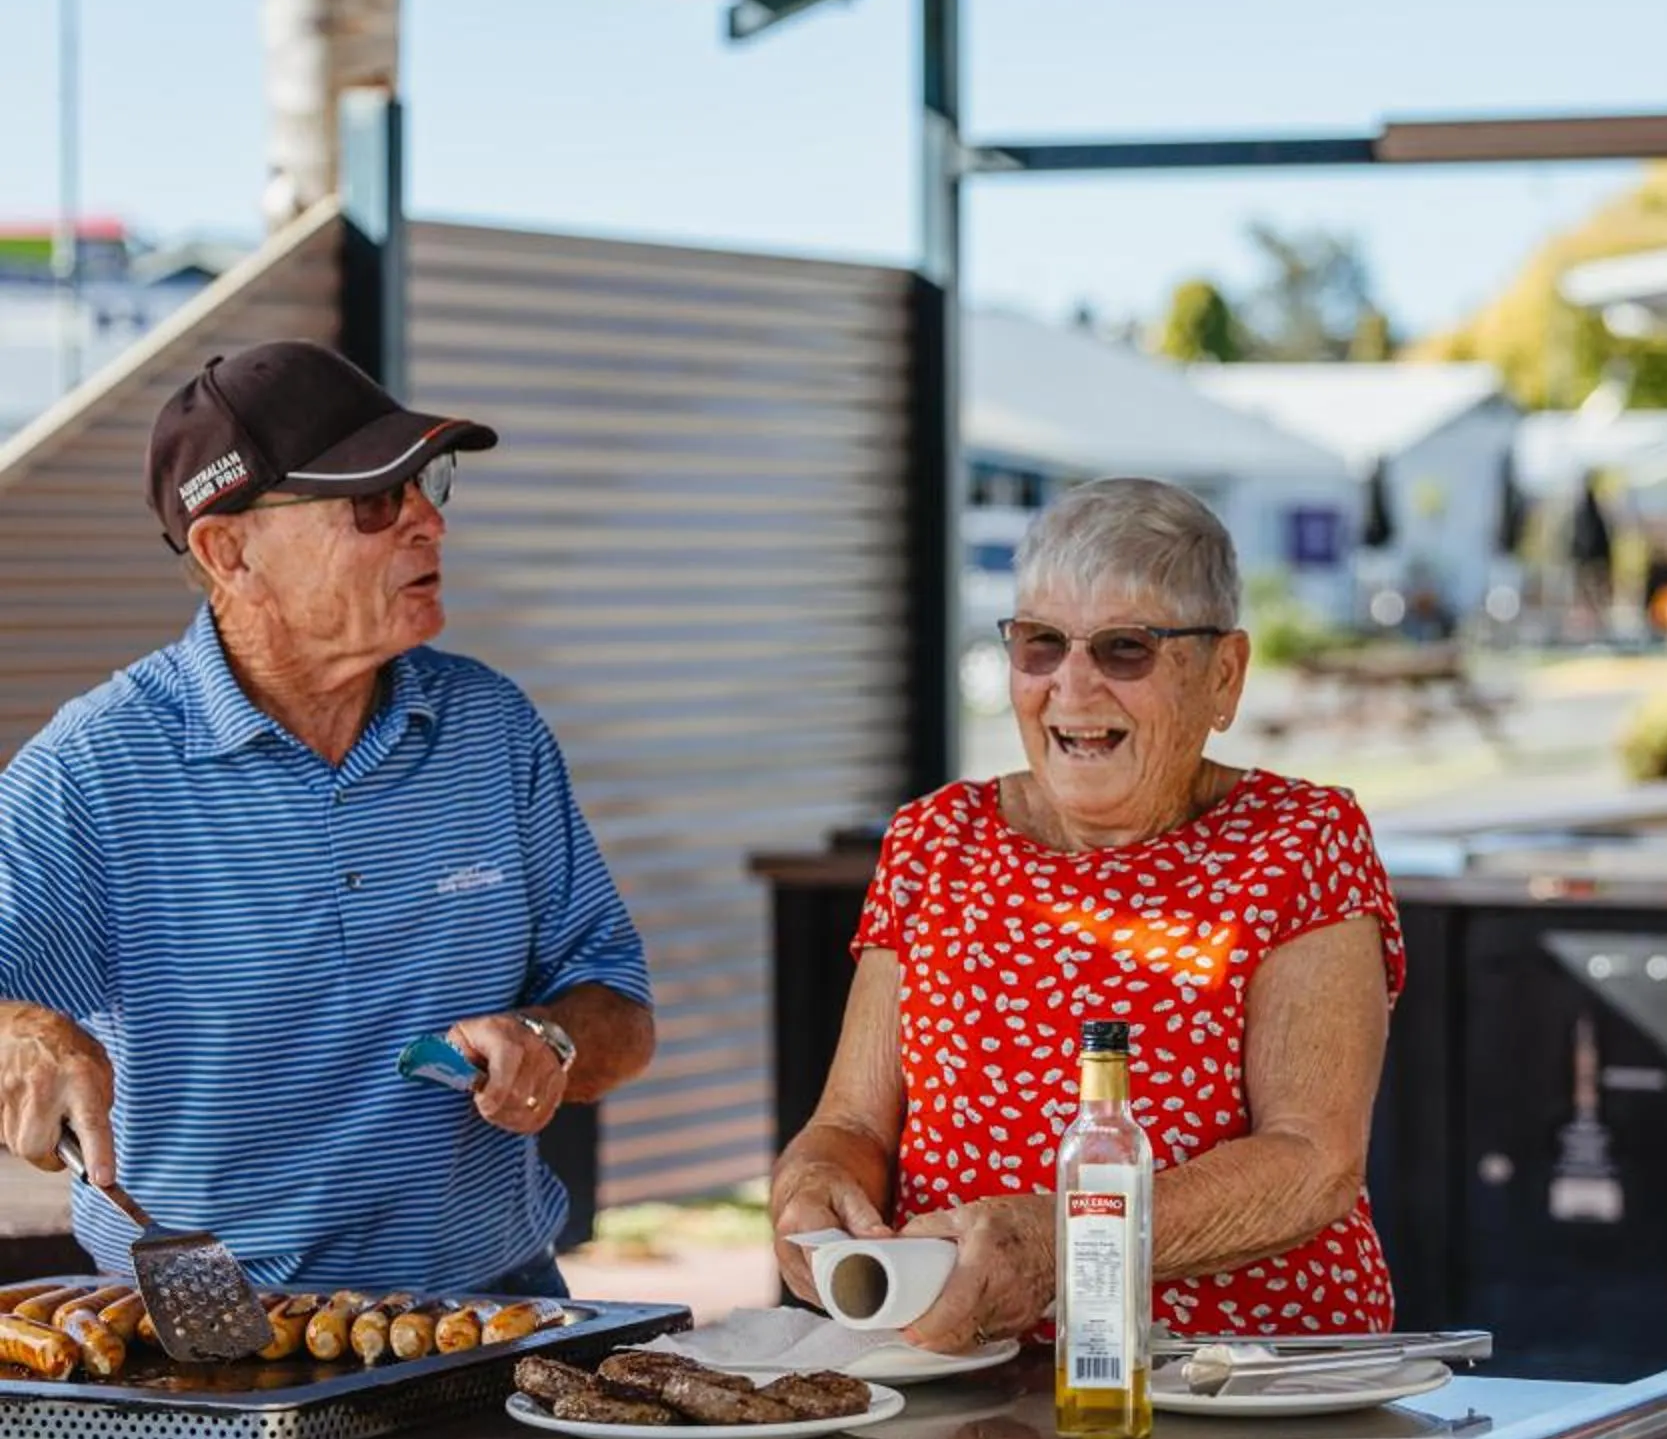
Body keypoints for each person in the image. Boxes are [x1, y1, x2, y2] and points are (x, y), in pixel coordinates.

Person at [0, 341, 654, 1296]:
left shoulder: (491, 729)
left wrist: (550, 1041)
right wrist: (23, 1030)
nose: (428, 521)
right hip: (215, 1326)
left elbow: (620, 1010)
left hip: (497, 1305)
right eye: (374, 501)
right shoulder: (96, 770)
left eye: (428, 483)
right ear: (231, 552)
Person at [771, 477, 1402, 1353]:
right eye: (1040, 644)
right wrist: (811, 1187)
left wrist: (1071, 1242)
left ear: (1223, 675)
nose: (1072, 686)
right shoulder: (933, 840)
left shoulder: (1300, 842)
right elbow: (853, 1124)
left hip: (1239, 1393)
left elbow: (1311, 1161)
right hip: (962, 1377)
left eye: (1125, 649)